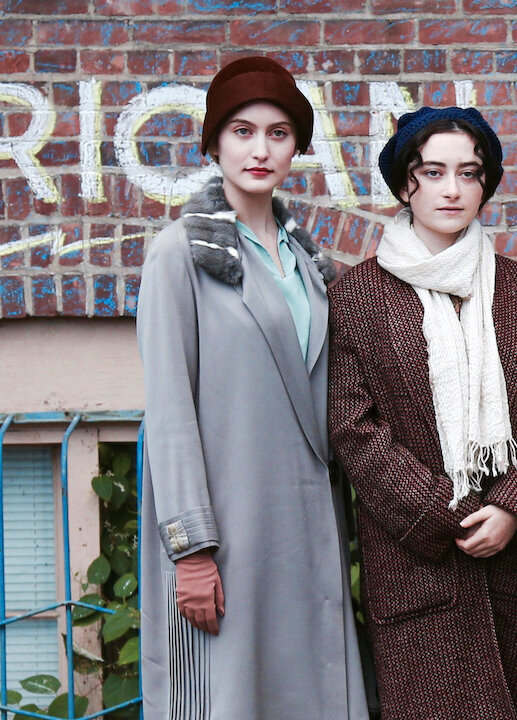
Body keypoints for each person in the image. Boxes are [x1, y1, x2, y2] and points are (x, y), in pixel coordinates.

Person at [136, 56, 367, 719]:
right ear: (214, 143)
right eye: (242, 132)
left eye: (278, 133)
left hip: (307, 532)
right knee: (228, 698)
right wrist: (192, 550)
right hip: (228, 532)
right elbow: (170, 410)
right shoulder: (181, 253)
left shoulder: (310, 265)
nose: (260, 150)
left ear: (297, 148)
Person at [327, 106, 517, 720]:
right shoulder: (356, 296)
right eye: (433, 172)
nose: (452, 189)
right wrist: (450, 513)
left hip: (507, 567)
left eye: (468, 173)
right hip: (415, 568)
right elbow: (353, 430)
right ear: (406, 185)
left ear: (485, 185)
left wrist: (512, 507)